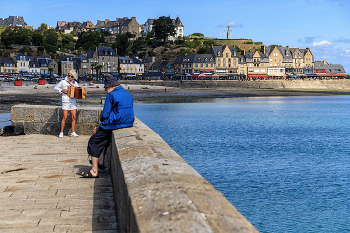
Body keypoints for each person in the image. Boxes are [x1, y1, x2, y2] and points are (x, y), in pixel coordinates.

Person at [81, 76, 134, 178]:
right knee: (104, 138)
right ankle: (100, 161)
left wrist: (99, 125)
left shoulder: (111, 95)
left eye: (106, 87)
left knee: (94, 141)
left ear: (113, 86)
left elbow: (105, 115)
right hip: (127, 122)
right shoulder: (127, 94)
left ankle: (94, 171)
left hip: (116, 122)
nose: (105, 89)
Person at [54, 70, 83, 138]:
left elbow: (78, 91)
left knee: (74, 117)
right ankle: (61, 132)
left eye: (71, 76)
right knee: (65, 117)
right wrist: (61, 90)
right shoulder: (63, 82)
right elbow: (55, 88)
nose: (69, 77)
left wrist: (83, 93)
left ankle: (73, 132)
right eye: (69, 75)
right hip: (65, 101)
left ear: (73, 76)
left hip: (73, 101)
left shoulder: (75, 83)